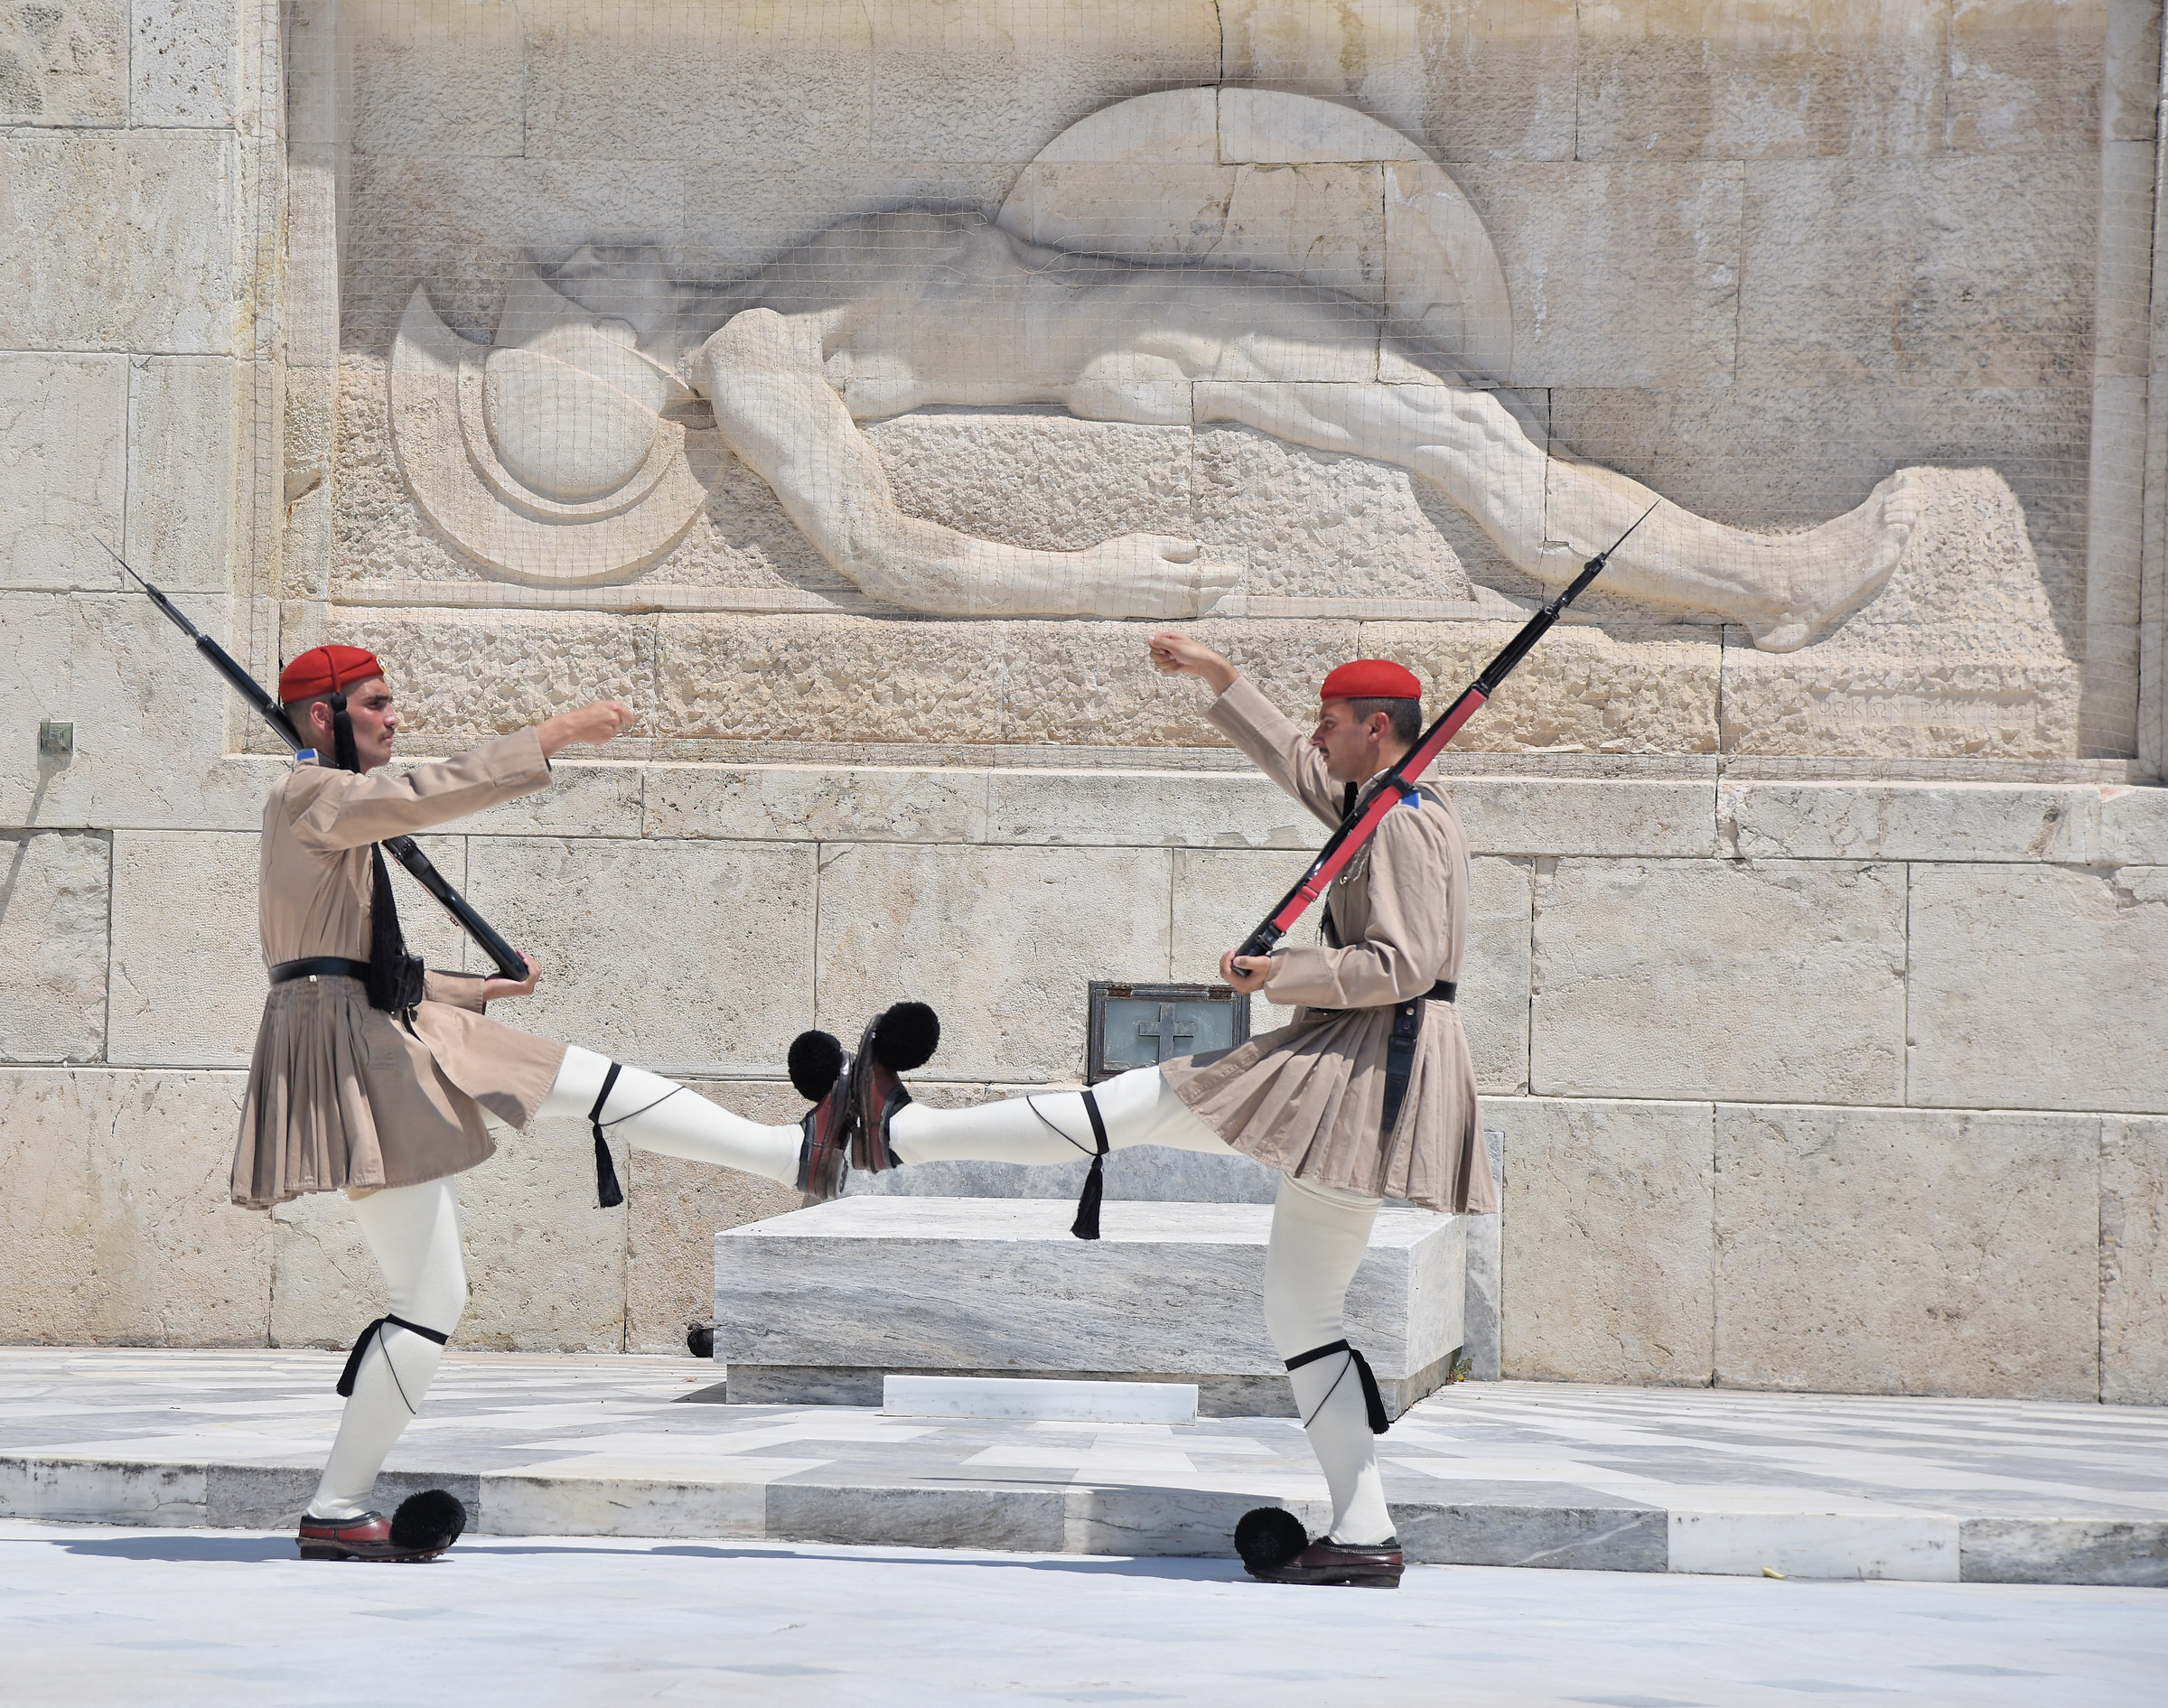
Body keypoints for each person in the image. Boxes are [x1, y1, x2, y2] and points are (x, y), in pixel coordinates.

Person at [785, 632, 1490, 1588]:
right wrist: (1221, 679)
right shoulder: (1377, 800)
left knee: (1141, 1101)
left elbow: (1401, 962)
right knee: (1302, 1307)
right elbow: (1296, 762)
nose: (1317, 738)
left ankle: (896, 1129)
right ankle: (1363, 1531)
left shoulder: (1404, 822)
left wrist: (1279, 971)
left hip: (1368, 1066)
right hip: (1372, 1065)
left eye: (1332, 723)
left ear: (1376, 729)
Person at [548, 216, 1920, 649]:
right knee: (1469, 440)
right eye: (573, 288)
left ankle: (1752, 579)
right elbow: (877, 550)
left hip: (1149, 313)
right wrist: (1102, 582)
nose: (601, 249)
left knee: (1466, 425)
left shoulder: (775, 282)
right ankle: (1771, 587)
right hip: (1146, 340)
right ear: (608, 353)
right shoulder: (753, 357)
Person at [239, 644, 850, 1563]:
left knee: (576, 1076)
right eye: (376, 702)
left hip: (391, 1023)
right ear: (323, 717)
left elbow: (357, 962)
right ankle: (335, 1504)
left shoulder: (328, 805)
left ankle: (787, 1153)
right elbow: (428, 794)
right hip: (359, 1058)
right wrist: (553, 735)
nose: (395, 717)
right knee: (429, 1295)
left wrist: (476, 991)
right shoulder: (308, 796)